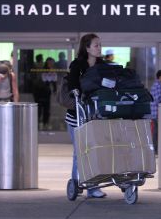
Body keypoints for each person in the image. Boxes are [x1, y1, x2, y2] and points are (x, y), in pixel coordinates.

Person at [65, 33, 107, 198]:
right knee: (80, 152)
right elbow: (72, 84)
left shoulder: (102, 65)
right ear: (87, 48)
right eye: (96, 45)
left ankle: (92, 187)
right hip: (77, 116)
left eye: (100, 45)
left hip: (95, 116)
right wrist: (76, 92)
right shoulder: (77, 65)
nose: (99, 48)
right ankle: (76, 184)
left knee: (95, 151)